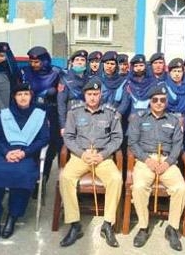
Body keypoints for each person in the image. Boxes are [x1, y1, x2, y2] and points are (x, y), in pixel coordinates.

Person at [0, 82, 50, 240]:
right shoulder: (4, 114)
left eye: (26, 94)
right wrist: (6, 152)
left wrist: (25, 152)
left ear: (31, 96)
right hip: (3, 153)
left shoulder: (39, 114)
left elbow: (44, 139)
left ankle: (13, 216)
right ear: (14, 97)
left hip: (27, 155)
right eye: (19, 94)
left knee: (22, 175)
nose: (23, 97)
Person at [59, 78, 124, 248]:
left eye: (96, 94)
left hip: (103, 157)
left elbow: (117, 138)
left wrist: (103, 155)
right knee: (66, 177)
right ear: (84, 95)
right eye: (90, 94)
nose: (93, 97)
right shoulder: (74, 112)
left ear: (101, 94)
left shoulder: (111, 112)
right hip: (81, 156)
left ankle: (107, 224)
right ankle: (75, 224)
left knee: (116, 179)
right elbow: (69, 137)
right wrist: (82, 153)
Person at [127, 85, 185, 251]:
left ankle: (172, 228)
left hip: (167, 160)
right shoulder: (139, 118)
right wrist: (147, 160)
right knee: (138, 187)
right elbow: (132, 142)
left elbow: (177, 145)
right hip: (145, 160)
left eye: (162, 100)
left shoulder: (173, 120)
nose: (159, 103)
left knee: (180, 188)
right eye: (155, 100)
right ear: (150, 101)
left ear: (166, 101)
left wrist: (168, 163)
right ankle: (143, 227)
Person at [21, 46, 62, 188]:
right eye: (31, 61)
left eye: (37, 62)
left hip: (51, 114)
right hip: (30, 113)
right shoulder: (26, 72)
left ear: (44, 61)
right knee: (31, 147)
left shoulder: (56, 73)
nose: (33, 65)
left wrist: (53, 93)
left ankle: (43, 179)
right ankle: (29, 178)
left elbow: (64, 96)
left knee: (49, 150)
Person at [57, 50, 89, 133]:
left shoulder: (89, 79)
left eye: (82, 60)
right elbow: (61, 103)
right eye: (77, 60)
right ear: (72, 63)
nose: (79, 62)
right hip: (70, 116)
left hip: (87, 116)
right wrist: (63, 125)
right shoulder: (65, 79)